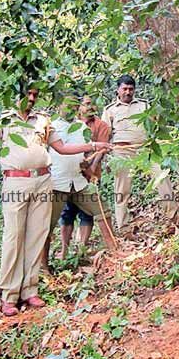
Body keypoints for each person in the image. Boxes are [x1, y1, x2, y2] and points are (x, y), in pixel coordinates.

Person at [0, 85, 111, 317]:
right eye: (27, 94)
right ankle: (9, 294)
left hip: (42, 180)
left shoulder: (43, 120)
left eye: (35, 95)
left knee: (37, 234)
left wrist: (93, 145)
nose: (31, 99)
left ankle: (29, 290)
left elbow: (61, 147)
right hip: (15, 181)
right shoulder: (2, 117)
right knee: (13, 236)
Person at [42, 94, 116, 268]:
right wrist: (94, 146)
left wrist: (88, 165)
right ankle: (44, 266)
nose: (72, 109)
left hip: (79, 181)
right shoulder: (50, 127)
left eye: (75, 105)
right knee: (47, 225)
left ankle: (114, 252)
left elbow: (84, 154)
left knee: (103, 211)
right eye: (69, 105)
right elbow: (58, 150)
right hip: (58, 183)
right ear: (59, 106)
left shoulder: (81, 127)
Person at [102, 75, 179, 234]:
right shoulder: (110, 110)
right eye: (124, 89)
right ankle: (124, 227)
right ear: (118, 89)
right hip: (122, 152)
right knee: (121, 189)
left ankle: (173, 215)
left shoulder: (144, 105)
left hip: (145, 150)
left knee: (161, 177)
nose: (128, 92)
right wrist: (107, 158)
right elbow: (105, 135)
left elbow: (154, 124)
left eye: (131, 89)